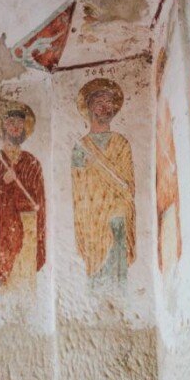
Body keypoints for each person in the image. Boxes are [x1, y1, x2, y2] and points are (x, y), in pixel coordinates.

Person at [71, 78, 136, 286]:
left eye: (109, 102)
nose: (105, 107)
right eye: (99, 102)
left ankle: (117, 297)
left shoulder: (121, 143)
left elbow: (129, 185)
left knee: (117, 229)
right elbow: (78, 190)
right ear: (89, 107)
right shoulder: (81, 147)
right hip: (92, 215)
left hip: (117, 211)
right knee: (97, 266)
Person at [0, 105, 46, 289]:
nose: (15, 127)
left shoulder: (31, 161)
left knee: (26, 274)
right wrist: (4, 182)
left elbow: (40, 199)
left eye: (20, 124)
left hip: (29, 224)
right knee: (9, 271)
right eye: (11, 122)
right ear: (3, 126)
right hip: (7, 223)